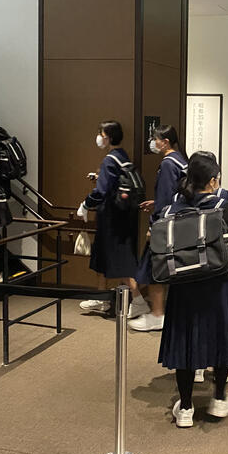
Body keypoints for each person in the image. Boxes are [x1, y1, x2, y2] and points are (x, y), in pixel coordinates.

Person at [157, 154, 228, 428]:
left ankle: (185, 408)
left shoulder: (172, 208)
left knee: (185, 341)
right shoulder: (222, 206)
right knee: (220, 339)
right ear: (212, 181)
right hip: (218, 285)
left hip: (183, 287)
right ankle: (218, 398)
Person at [76, 121, 149, 318]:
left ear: (107, 137)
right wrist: (98, 177)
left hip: (112, 220)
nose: (99, 138)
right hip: (123, 217)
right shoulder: (122, 156)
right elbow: (114, 183)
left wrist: (85, 204)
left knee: (118, 261)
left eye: (101, 134)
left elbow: (101, 192)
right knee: (102, 257)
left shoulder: (110, 160)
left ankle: (139, 301)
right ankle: (102, 298)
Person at [131, 125, 188, 332]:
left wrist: (154, 225)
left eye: (155, 139)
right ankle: (159, 312)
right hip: (179, 222)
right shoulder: (181, 160)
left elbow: (165, 198)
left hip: (164, 226)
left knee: (154, 269)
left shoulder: (168, 164)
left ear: (165, 142)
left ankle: (157, 314)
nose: (153, 143)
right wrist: (156, 203)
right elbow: (175, 195)